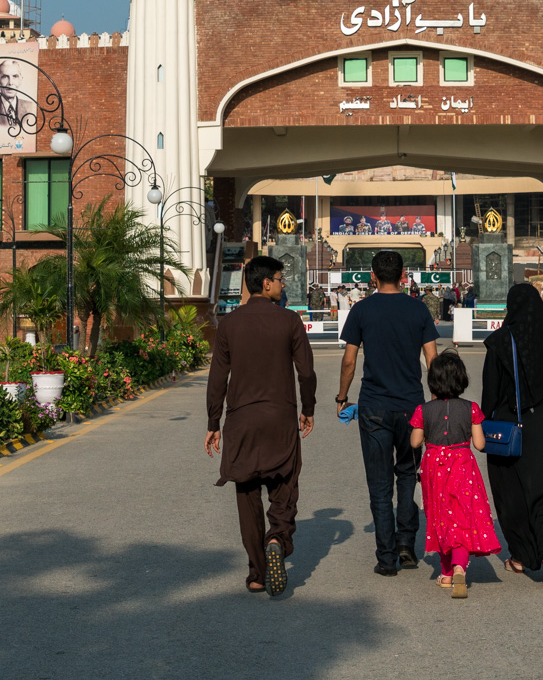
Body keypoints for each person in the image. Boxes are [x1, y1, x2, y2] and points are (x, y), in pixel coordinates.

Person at [205, 255, 317, 596]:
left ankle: (256, 573)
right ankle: (277, 538)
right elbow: (306, 372)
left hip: (241, 420)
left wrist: (213, 421)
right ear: (265, 283)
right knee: (285, 485)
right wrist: (308, 408)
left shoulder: (229, 325)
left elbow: (218, 378)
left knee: (247, 493)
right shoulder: (289, 321)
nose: (283, 285)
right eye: (280, 279)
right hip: (280, 417)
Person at [336, 250, 439, 576]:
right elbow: (433, 359)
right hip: (412, 407)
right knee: (408, 475)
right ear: (404, 275)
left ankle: (386, 557)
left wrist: (342, 396)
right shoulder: (418, 309)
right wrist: (436, 400)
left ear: (372, 277)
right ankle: (407, 545)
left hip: (374, 407)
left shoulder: (362, 310)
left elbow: (350, 360)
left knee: (379, 485)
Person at [483, 283, 543, 588]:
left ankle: (520, 557)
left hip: (509, 429)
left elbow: (490, 394)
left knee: (513, 493)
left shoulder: (500, 342)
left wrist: (482, 422)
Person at [410, 350, 500, 599]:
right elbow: (480, 445)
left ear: (433, 382)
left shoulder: (423, 410)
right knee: (461, 516)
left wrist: (427, 430)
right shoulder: (471, 408)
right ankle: (461, 566)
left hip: (434, 467)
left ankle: (447, 572)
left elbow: (415, 442)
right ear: (461, 380)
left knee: (440, 517)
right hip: (462, 465)